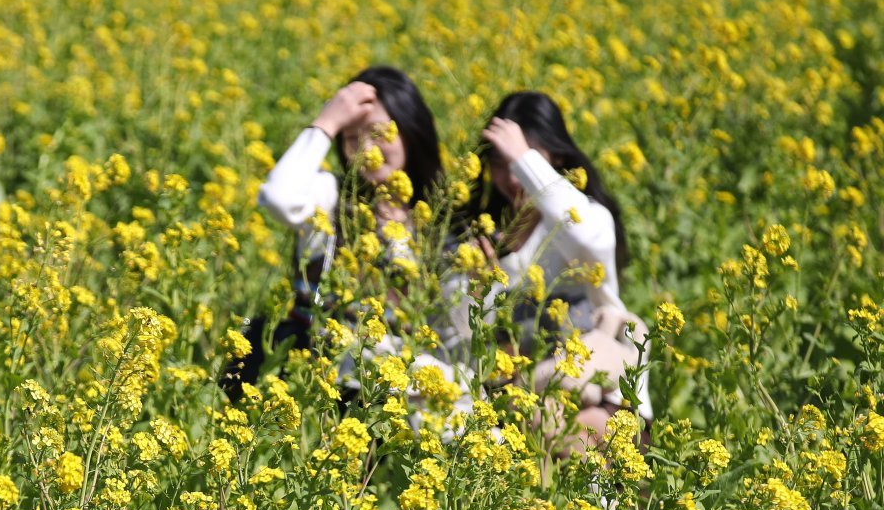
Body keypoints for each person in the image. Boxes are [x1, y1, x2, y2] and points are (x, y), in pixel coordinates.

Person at [228, 66, 460, 416]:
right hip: (318, 374)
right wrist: (327, 122)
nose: (367, 149)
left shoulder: (440, 224)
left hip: (393, 387)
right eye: (352, 138)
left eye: (379, 133)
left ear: (412, 132)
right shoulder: (330, 197)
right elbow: (279, 197)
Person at [471, 91, 653, 449]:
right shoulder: (485, 236)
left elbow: (585, 230)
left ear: (553, 155)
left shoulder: (584, 220)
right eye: (500, 163)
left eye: (521, 162)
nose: (512, 176)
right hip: (514, 402)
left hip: (596, 396)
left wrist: (523, 157)